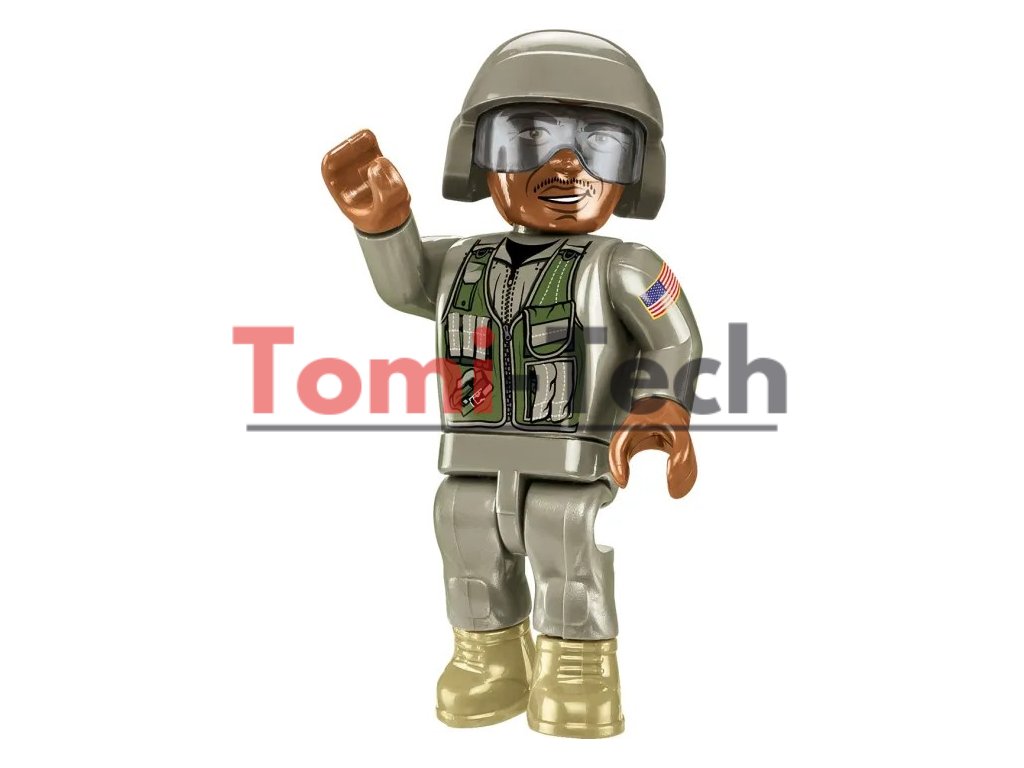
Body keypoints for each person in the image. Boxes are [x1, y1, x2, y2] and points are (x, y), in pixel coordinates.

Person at [321, 30, 701, 738]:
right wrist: (384, 225)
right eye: (528, 138)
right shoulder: (461, 260)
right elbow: (406, 285)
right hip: (471, 452)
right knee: (462, 532)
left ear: (638, 171)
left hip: (570, 459)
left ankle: (578, 667)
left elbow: (674, 337)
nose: (566, 165)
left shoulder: (627, 266)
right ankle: (487, 659)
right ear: (478, 155)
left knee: (565, 546)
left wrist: (663, 402)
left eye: (601, 145)